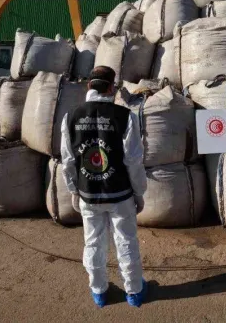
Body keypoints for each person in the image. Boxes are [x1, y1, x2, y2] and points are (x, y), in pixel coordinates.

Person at [60, 66, 148, 307]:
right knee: (126, 241)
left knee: (93, 242)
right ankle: (134, 292)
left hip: (89, 194)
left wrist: (73, 190)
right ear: (111, 88)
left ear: (89, 85)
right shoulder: (125, 116)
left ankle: (99, 291)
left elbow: (68, 161)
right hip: (120, 195)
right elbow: (133, 160)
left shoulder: (71, 116)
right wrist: (139, 192)